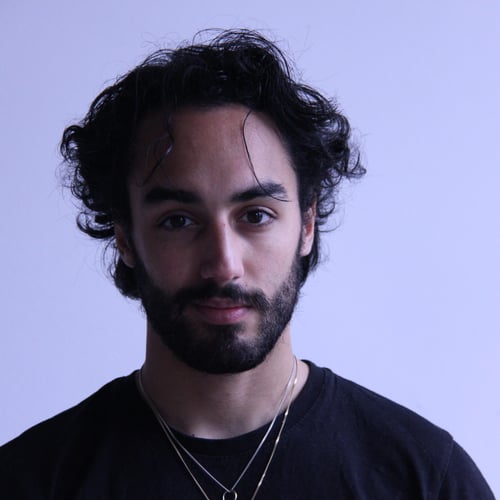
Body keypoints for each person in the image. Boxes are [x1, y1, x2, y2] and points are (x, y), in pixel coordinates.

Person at [0, 29, 494, 499]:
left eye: (256, 215)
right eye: (178, 221)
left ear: (306, 224)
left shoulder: (427, 480)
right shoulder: (31, 482)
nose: (224, 265)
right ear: (125, 237)